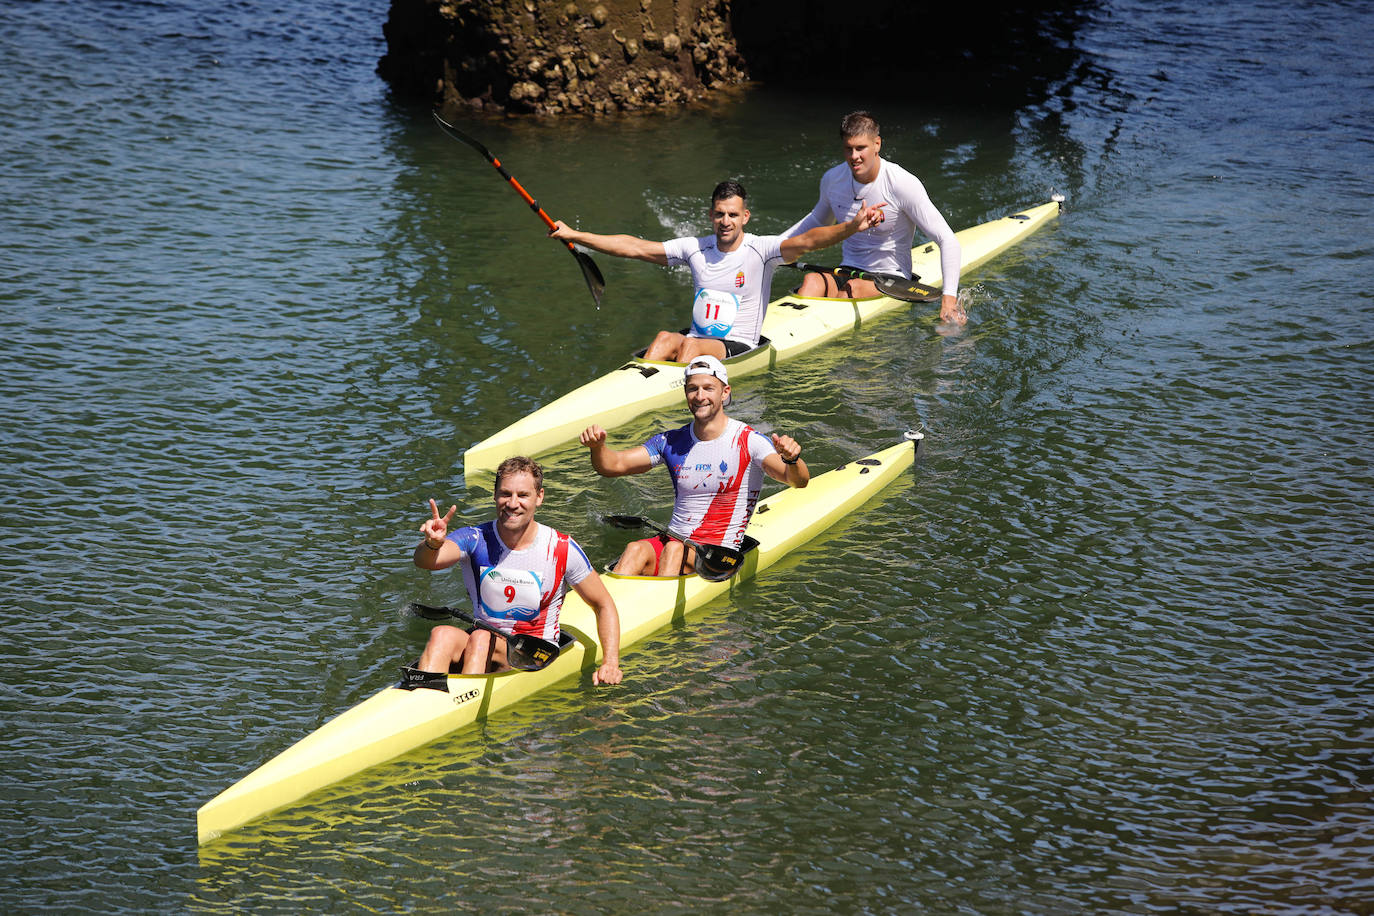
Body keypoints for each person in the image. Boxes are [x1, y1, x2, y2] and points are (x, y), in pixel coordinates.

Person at [548, 180, 884, 362]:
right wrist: (576, 235)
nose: (726, 221)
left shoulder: (762, 250)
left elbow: (809, 240)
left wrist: (850, 228)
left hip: (739, 346)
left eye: (733, 215)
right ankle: (640, 389)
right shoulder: (695, 247)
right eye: (720, 214)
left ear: (745, 217)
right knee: (665, 338)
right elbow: (634, 247)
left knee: (689, 348)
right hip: (697, 340)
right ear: (711, 215)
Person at [405, 455, 623, 689]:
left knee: (480, 637)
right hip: (486, 644)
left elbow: (603, 604)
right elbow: (425, 562)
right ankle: (422, 696)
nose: (512, 503)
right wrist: (433, 543)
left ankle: (459, 704)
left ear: (539, 497)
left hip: (534, 654)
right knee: (441, 633)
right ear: (495, 496)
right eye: (505, 494)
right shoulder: (475, 538)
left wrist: (610, 662)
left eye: (523, 495)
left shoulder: (561, 548)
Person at [579, 355, 809, 577]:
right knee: (634, 548)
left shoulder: (749, 441)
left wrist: (791, 459)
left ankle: (660, 608)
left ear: (724, 392)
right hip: (675, 542)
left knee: (674, 549)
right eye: (692, 388)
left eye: (708, 388)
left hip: (717, 556)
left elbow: (797, 481)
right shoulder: (671, 441)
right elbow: (613, 465)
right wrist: (598, 447)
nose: (700, 396)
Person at [787, 110, 966, 324]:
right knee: (810, 282)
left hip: (892, 277)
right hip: (848, 270)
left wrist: (949, 299)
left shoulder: (901, 183)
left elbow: (947, 240)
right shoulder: (832, 179)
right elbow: (817, 221)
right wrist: (774, 246)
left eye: (860, 148)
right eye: (848, 149)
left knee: (851, 289)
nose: (854, 156)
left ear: (877, 144)